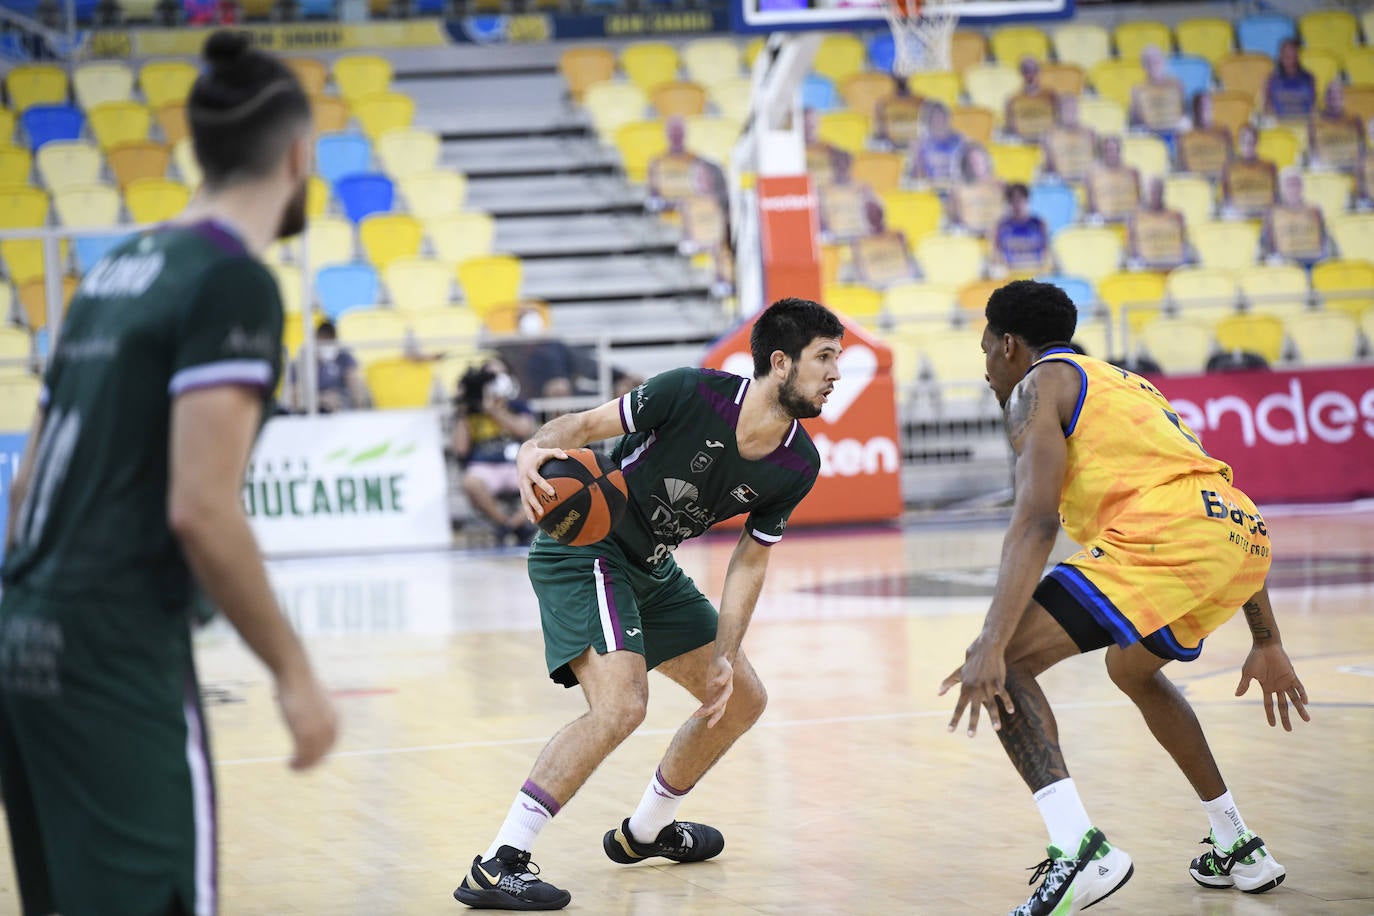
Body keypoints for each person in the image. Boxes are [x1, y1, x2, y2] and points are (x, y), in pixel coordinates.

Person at [0, 30, 338, 916]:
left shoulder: (112, 269)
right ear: (300, 154)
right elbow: (201, 507)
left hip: (24, 635)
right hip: (114, 645)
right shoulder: (233, 282)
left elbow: (27, 486)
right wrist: (294, 672)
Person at [453, 297, 844, 911]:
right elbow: (582, 428)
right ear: (780, 362)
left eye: (837, 360)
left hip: (654, 567)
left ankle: (644, 834)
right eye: (823, 358)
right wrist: (535, 447)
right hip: (589, 550)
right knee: (621, 707)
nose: (835, 374)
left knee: (741, 697)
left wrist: (726, 650)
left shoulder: (798, 463)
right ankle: (498, 862)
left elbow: (750, 558)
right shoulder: (691, 393)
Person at [940, 279, 1308, 916]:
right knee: (1132, 668)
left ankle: (1079, 850)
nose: (987, 372)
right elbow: (1209, 504)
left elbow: (1035, 520)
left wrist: (991, 642)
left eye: (985, 353)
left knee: (1008, 668)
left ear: (1008, 345)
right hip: (1241, 534)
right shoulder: (1126, 383)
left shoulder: (1036, 386)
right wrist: (1267, 639)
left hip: (1166, 535)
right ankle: (1237, 842)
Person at [452, 357, 538, 544]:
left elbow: (524, 430)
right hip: (483, 467)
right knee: (470, 483)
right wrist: (462, 410)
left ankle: (512, 525)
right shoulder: (470, 410)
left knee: (544, 480)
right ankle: (507, 524)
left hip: (516, 464)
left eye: (499, 375)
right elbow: (460, 449)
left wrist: (495, 412)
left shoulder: (517, 405)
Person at [646, 116, 727, 213]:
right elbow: (652, 200)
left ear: (685, 135)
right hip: (667, 220)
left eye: (679, 134)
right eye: (673, 134)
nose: (676, 138)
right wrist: (672, 205)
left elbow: (712, 192)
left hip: (697, 216)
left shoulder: (697, 159)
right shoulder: (657, 163)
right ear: (667, 136)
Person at [289, 319, 369, 412]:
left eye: (330, 338)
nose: (326, 343)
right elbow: (294, 395)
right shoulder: (302, 362)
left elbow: (356, 383)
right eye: (323, 338)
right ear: (316, 339)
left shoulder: (343, 357)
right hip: (314, 409)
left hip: (342, 407)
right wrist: (320, 399)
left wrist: (357, 403)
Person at [1262, 167, 1329, 267]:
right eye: (1289, 184)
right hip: (1285, 265)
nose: (1293, 188)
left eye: (1296, 184)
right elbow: (1267, 246)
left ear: (1302, 186)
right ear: (1281, 188)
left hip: (1313, 263)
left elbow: (1324, 241)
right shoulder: (1273, 213)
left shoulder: (1315, 211)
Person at [1129, 175, 1190, 271]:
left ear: (1163, 192)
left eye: (1158, 191)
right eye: (1152, 192)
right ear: (1145, 193)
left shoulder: (1176, 216)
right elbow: (1133, 250)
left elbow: (1184, 244)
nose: (1155, 195)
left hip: (1173, 267)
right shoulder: (1136, 218)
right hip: (1147, 269)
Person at [992, 183, 1051, 275]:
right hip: (1010, 275)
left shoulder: (1039, 224)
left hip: (1036, 274)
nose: (1017, 204)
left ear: (1027, 200)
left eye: (1020, 200)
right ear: (1008, 203)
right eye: (1013, 200)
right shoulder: (1001, 226)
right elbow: (995, 256)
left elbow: (1047, 252)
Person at [949, 141, 1005, 236]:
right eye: (971, 161)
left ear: (986, 161)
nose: (975, 164)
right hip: (968, 237)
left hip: (997, 234)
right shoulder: (957, 189)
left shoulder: (1000, 185)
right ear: (965, 164)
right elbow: (954, 219)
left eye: (979, 160)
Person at [1223, 124, 1278, 218]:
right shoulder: (1229, 168)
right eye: (1244, 142)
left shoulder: (1270, 167)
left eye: (1251, 142)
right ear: (1239, 143)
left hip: (1264, 217)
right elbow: (1226, 199)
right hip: (1239, 217)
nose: (1248, 146)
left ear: (1257, 142)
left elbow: (1276, 197)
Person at [1308, 80, 1365, 172]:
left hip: (1351, 170)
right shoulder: (1314, 123)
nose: (1334, 98)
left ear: (1343, 98)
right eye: (1330, 95)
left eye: (1338, 95)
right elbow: (1313, 153)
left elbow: (1362, 151)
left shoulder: (1355, 120)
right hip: (1327, 172)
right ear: (1325, 98)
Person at [1130, 45, 1187, 135]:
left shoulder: (1176, 85)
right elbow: (1135, 120)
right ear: (1144, 66)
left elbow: (1183, 112)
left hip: (1174, 130)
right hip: (1150, 133)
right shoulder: (1138, 89)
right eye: (1149, 62)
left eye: (1157, 61)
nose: (1153, 65)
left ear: (1164, 62)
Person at [905, 100, 964, 186]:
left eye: (941, 117)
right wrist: (917, 157)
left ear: (948, 119)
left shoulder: (960, 142)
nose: (938, 121)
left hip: (955, 189)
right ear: (928, 121)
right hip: (930, 191)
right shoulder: (921, 144)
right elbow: (917, 180)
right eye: (934, 118)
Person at [1040, 92, 1096, 183]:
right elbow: (1049, 166)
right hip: (1060, 183)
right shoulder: (1048, 135)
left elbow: (1095, 164)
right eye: (1065, 109)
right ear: (1058, 111)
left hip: (1084, 181)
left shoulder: (1090, 133)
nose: (1069, 112)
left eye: (1072, 109)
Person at [1176, 91, 1232, 179]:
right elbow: (1183, 167)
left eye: (1206, 107)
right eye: (1199, 107)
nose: (1203, 112)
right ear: (1193, 110)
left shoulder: (1223, 133)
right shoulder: (1185, 136)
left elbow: (1230, 164)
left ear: (1212, 108)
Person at [1086, 135, 1141, 222]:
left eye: (1113, 150)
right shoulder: (1093, 175)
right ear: (1102, 153)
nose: (1110, 154)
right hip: (1104, 221)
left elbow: (1140, 200)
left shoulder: (1132, 173)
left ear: (1119, 151)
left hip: (1128, 220)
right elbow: (1091, 205)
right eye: (1107, 151)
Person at [1005, 56, 1058, 142]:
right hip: (1024, 144)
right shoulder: (1013, 100)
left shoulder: (1051, 96)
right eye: (1026, 71)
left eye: (1034, 71)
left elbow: (1059, 124)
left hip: (1048, 142)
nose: (1030, 75)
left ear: (1040, 72)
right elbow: (1011, 128)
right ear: (1021, 73)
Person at [1266, 38, 1317, 121]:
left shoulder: (1308, 78)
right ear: (1280, 56)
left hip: (1302, 124)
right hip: (1281, 126)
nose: (1287, 56)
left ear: (1297, 56)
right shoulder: (1272, 80)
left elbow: (1312, 106)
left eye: (1291, 52)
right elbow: (1268, 106)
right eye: (1284, 53)